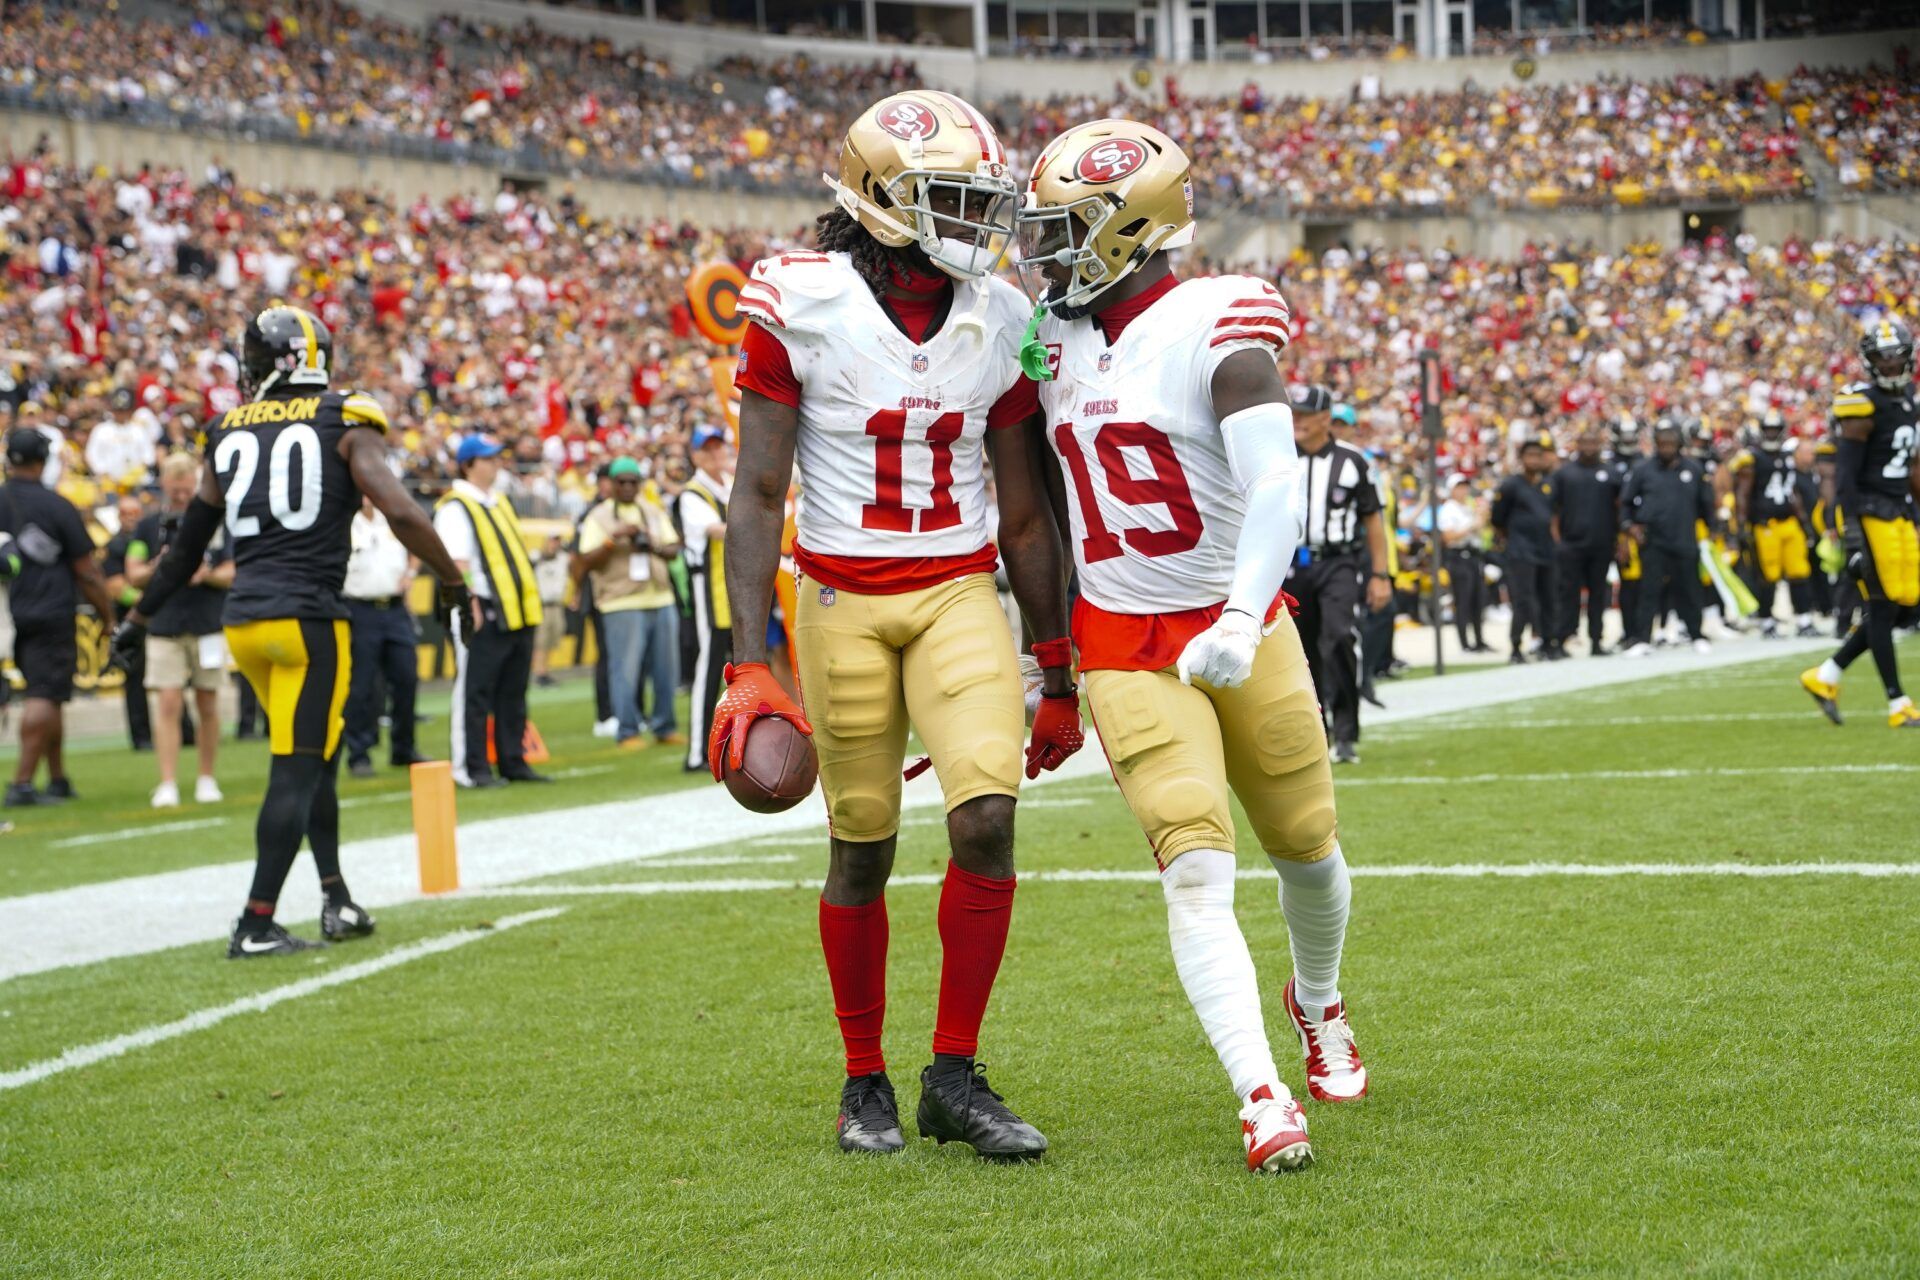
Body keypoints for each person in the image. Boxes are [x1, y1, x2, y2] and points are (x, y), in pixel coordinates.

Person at [719, 90, 1080, 1160]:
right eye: (954, 201)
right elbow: (755, 490)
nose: (978, 222)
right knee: (862, 845)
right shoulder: (802, 299)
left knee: (986, 819)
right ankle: (863, 1074)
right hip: (839, 597)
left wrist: (1055, 664)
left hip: (960, 590)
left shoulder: (1001, 314)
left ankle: (954, 1072)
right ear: (880, 203)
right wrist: (749, 662)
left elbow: (1023, 506)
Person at [1018, 118, 1364, 1174]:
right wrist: (1049, 665)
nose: (1047, 252)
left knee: (1308, 845)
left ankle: (1318, 1002)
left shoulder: (1222, 321)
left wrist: (1237, 611)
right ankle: (1261, 1095)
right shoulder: (1047, 337)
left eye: (1066, 230)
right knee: (1195, 867)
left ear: (1129, 229)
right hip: (1123, 638)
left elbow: (1275, 485)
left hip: (1240, 618)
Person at [111, 305, 472, 957]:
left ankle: (336, 897)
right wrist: (453, 580)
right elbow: (399, 510)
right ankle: (256, 920)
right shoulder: (343, 416)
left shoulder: (227, 430)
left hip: (246, 622)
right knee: (296, 769)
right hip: (308, 623)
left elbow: (189, 545)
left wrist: (138, 617)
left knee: (316, 757)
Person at [1801, 318, 1920, 729]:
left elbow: (1913, 466)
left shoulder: (1908, 399)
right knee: (1882, 608)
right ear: (1870, 364)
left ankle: (1826, 675)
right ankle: (1897, 702)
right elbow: (1845, 475)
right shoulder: (1859, 403)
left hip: (1899, 510)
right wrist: (1849, 530)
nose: (1890, 367)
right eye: (1881, 361)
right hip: (1869, 513)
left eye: (1896, 359)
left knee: (1904, 605)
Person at [1, 427, 117, 807]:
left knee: (51, 692)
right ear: (42, 460)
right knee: (44, 695)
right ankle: (21, 783)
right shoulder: (56, 506)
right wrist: (109, 617)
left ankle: (58, 778)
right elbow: (86, 571)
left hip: (10, 610)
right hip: (49, 611)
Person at [433, 435, 550, 788]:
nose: (496, 464)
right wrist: (468, 604)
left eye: (498, 457)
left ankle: (513, 761)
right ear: (469, 464)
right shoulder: (456, 506)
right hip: (482, 607)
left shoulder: (497, 501)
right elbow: (456, 562)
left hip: (515, 610)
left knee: (512, 692)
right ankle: (471, 767)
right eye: (488, 459)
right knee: (475, 691)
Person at [1285, 384, 1390, 764]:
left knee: (1340, 636)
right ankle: (1318, 731)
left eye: (1303, 413)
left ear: (1325, 419)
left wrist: (1381, 574)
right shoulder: (1277, 454)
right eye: (1292, 412)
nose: (1295, 420)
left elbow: (1373, 520)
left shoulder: (1353, 461)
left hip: (1338, 561)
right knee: (1300, 651)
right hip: (1289, 563)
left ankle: (1345, 733)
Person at [126, 452, 233, 807]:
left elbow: (236, 567)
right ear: (165, 488)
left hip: (207, 621)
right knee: (168, 702)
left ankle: (207, 776)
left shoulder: (217, 522)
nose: (182, 498)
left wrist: (208, 575)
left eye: (188, 490)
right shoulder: (147, 526)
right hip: (165, 622)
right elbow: (133, 571)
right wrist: (162, 567)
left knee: (207, 700)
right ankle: (167, 781)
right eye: (176, 491)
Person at [575, 455, 682, 749]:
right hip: (620, 601)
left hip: (660, 596)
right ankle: (627, 729)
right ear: (610, 484)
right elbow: (586, 560)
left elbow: (674, 548)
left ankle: (664, 725)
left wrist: (653, 543)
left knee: (666, 669)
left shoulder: (652, 511)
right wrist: (614, 539)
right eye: (621, 482)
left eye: (633, 482)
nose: (627, 487)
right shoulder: (598, 516)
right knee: (625, 670)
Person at [342, 496, 428, 778]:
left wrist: (411, 573)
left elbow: (417, 543)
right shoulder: (344, 521)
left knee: (406, 677)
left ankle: (404, 747)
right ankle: (359, 752)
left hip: (394, 607)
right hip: (359, 608)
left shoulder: (390, 518)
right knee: (362, 685)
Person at [1620, 418, 1715, 657]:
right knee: (1648, 590)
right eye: (1662, 442)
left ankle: (1697, 635)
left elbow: (1706, 504)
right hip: (1654, 541)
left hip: (1684, 538)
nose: (1666, 447)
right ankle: (1643, 639)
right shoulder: (1643, 470)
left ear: (1679, 443)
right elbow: (1626, 503)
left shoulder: (1693, 469)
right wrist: (1630, 526)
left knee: (1690, 589)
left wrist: (1713, 530)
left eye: (1670, 442)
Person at [1729, 409, 1817, 638]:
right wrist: (1741, 525)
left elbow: (1792, 491)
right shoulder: (1753, 458)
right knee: (1768, 576)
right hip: (1765, 525)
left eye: (1774, 430)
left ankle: (1804, 620)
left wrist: (1804, 521)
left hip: (1789, 522)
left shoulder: (1787, 456)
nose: (1771, 434)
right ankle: (1767, 621)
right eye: (1768, 430)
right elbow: (1743, 494)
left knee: (1799, 572)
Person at [678, 424, 733, 772]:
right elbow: (717, 529)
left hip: (735, 587)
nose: (716, 454)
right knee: (708, 669)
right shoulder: (692, 494)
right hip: (710, 592)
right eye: (708, 449)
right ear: (696, 455)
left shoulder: (727, 485)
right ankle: (697, 751)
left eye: (718, 447)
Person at [1551, 427, 1621, 655]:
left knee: (1598, 594)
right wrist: (1558, 541)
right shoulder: (1565, 474)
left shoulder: (1610, 473)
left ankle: (1596, 640)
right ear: (1577, 445)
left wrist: (1618, 540)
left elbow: (1619, 508)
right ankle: (1564, 637)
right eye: (1585, 443)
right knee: (1568, 593)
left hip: (1601, 544)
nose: (1589, 448)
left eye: (1593, 443)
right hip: (1572, 544)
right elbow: (1552, 510)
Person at [1492, 435, 1561, 663]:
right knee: (1523, 599)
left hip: (1545, 548)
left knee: (1548, 597)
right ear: (1522, 458)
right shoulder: (1511, 485)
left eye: (1538, 456)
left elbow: (1553, 514)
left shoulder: (1547, 484)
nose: (1534, 460)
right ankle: (1516, 645)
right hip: (1521, 550)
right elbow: (1497, 517)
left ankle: (1549, 642)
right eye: (1529, 455)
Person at [101, 491, 159, 750]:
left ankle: (185, 732)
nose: (131, 519)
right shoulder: (114, 546)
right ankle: (142, 737)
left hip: (156, 617)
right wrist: (151, 600)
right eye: (126, 513)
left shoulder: (149, 539)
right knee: (135, 678)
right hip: (131, 621)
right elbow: (116, 587)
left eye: (136, 513)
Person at [1437, 474, 1491, 652]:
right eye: (1459, 487)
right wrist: (1472, 525)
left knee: (1478, 599)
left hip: (1474, 556)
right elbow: (1448, 536)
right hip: (1458, 557)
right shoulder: (1448, 509)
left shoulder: (1468, 508)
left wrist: (1481, 518)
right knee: (1463, 601)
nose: (1463, 490)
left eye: (1465, 486)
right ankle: (1465, 643)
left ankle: (1479, 640)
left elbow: (1480, 529)